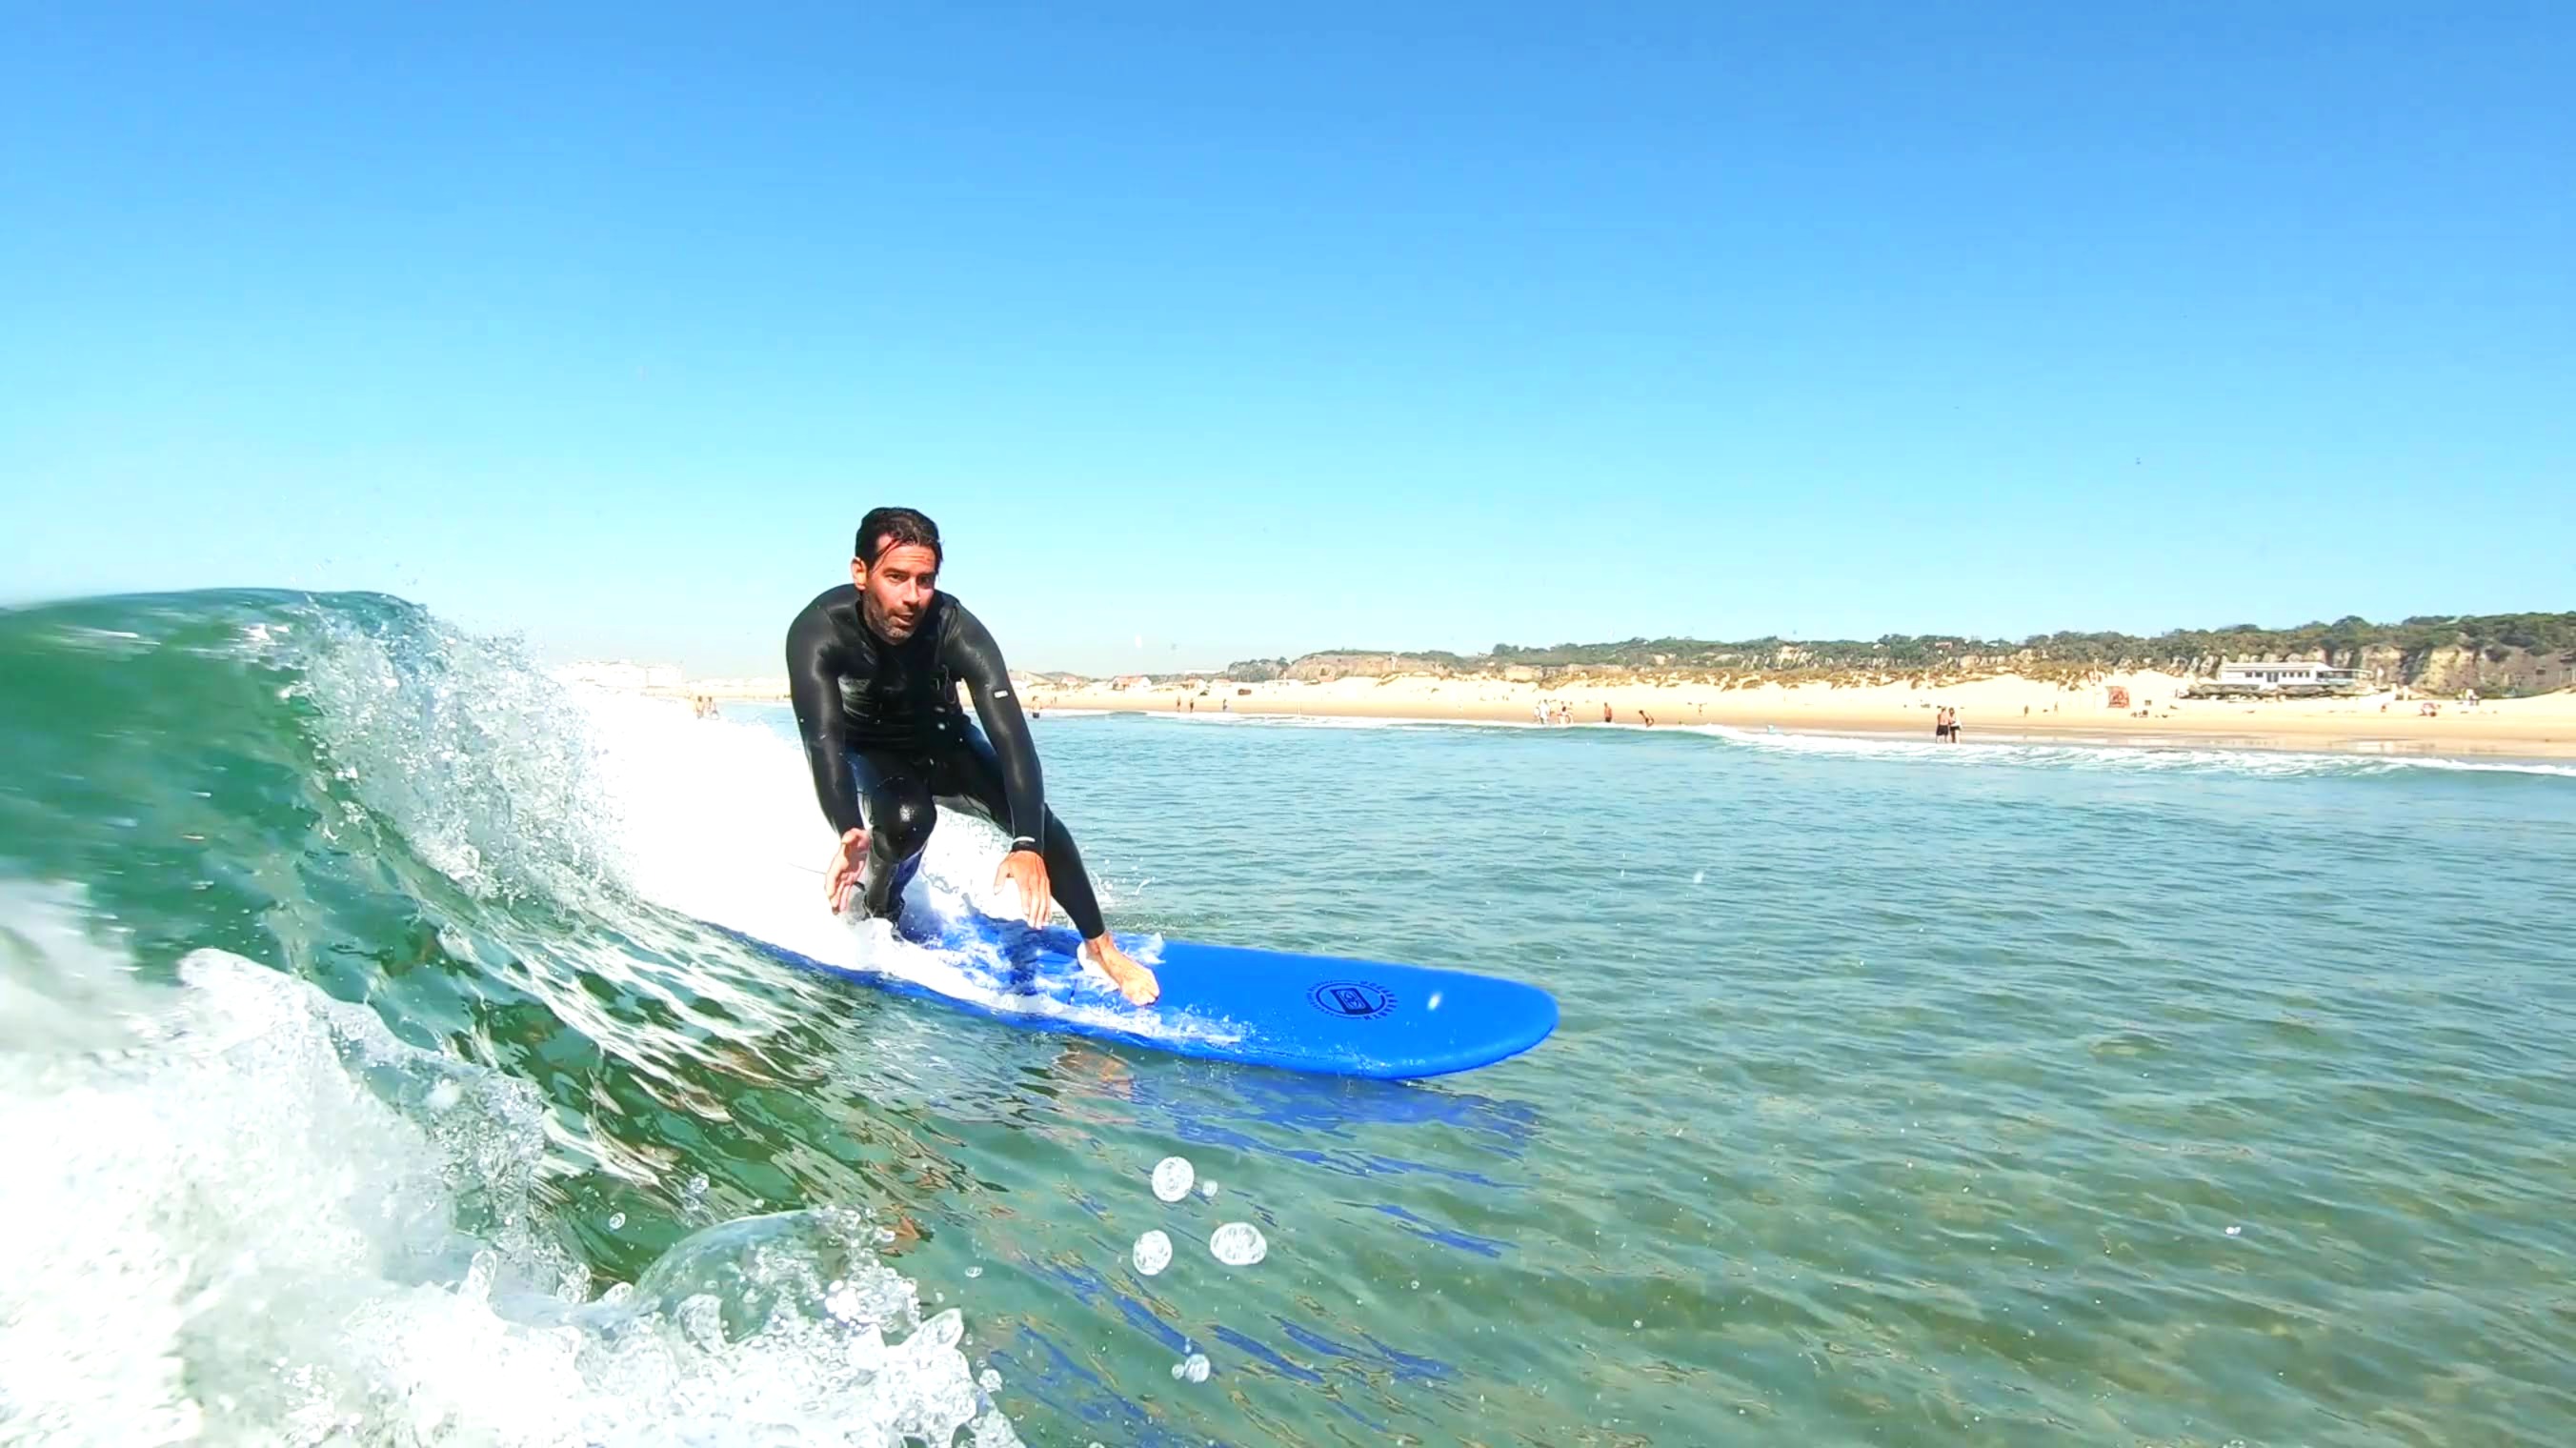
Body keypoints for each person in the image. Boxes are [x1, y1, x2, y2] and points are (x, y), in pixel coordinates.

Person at [785, 506, 1157, 1004]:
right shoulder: (819, 630)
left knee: (1038, 823)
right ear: (860, 572)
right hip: (871, 751)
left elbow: (1013, 739)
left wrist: (1026, 843)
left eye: (925, 580)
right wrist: (847, 828)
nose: (912, 596)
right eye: (896, 578)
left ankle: (1102, 949)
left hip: (947, 743)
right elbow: (823, 741)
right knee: (906, 820)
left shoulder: (954, 627)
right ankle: (878, 909)